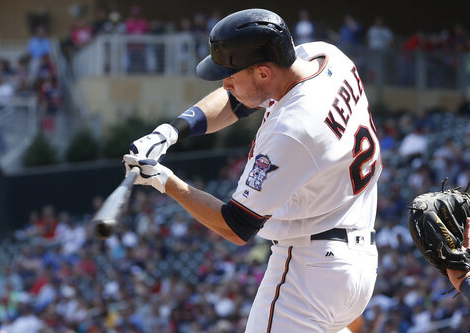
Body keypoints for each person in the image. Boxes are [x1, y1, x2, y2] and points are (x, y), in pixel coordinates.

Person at [123, 8, 381, 332]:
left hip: (308, 271)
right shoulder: (327, 56)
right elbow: (236, 101)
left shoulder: (293, 128)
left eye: (231, 74)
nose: (226, 82)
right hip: (357, 264)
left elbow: (236, 226)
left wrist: (165, 181)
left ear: (263, 72)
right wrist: (171, 132)